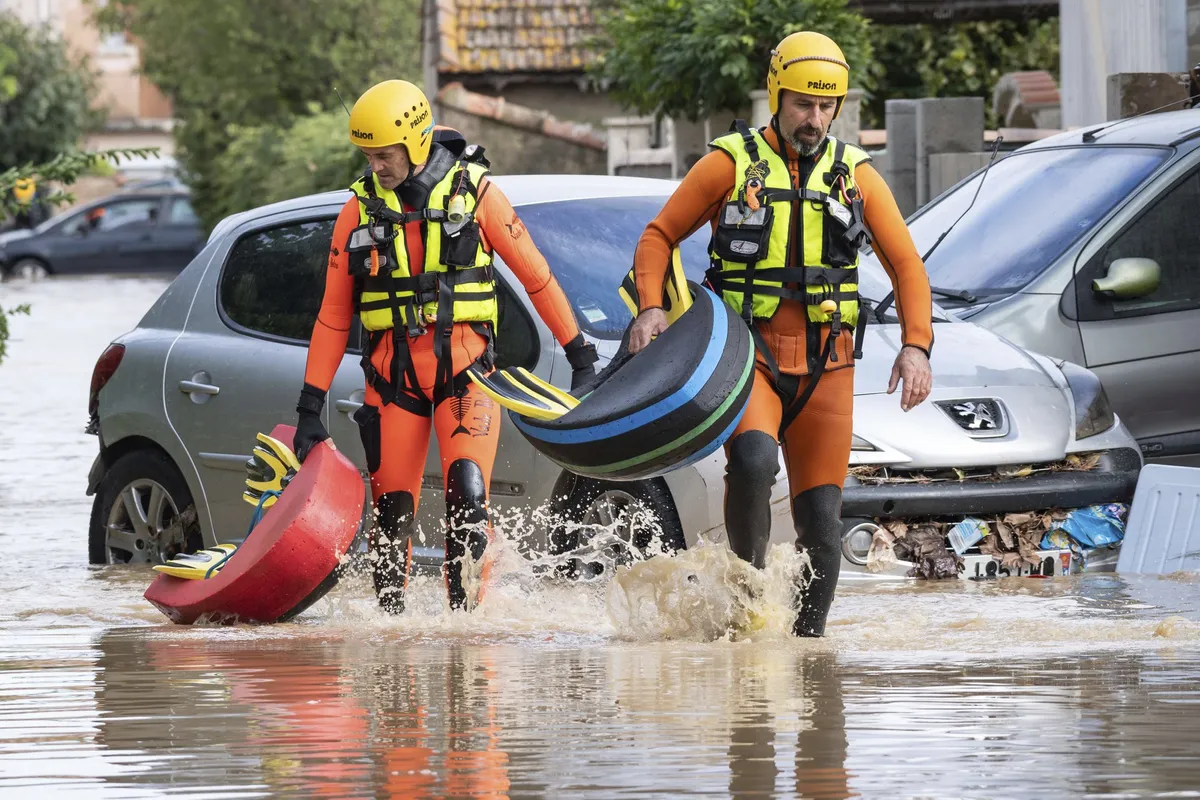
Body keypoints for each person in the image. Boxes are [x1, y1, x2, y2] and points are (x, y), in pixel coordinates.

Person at [628, 31, 934, 637]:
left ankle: (808, 653)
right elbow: (658, 236)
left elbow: (908, 267)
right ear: (777, 95)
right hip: (751, 362)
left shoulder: (858, 177)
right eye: (802, 104)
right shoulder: (728, 163)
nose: (814, 119)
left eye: (826, 107)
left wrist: (916, 345)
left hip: (829, 365)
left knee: (822, 519)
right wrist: (650, 308)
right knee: (753, 458)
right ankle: (748, 623)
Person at [293, 80, 597, 614]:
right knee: (391, 516)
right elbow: (334, 314)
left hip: (467, 374)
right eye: (367, 156)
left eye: (383, 156)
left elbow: (537, 277)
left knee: (468, 494)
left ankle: (466, 633)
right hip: (393, 382)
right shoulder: (357, 211)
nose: (374, 167)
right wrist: (309, 407)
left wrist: (582, 359)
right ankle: (392, 643)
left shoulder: (477, 193)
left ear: (413, 143)